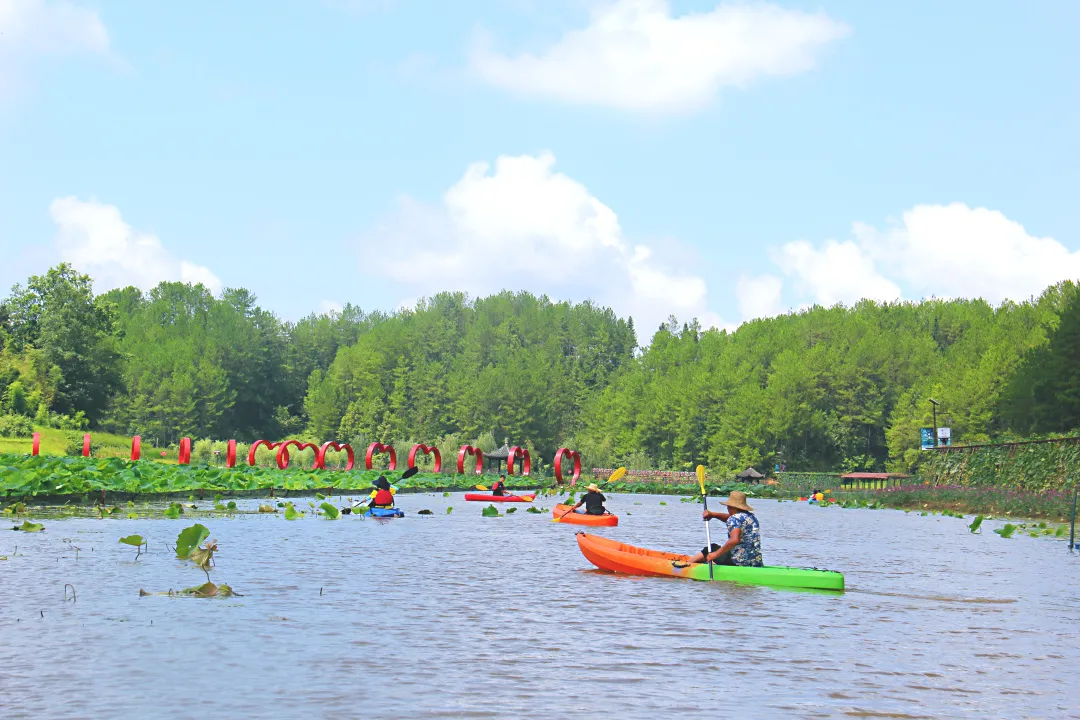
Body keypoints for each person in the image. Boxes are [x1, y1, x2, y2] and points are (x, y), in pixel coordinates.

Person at [683, 490, 763, 567]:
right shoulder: (751, 518)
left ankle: (686, 565)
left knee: (711, 548)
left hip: (737, 561)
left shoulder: (734, 519)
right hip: (755, 561)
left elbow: (734, 540)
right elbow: (731, 519)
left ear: (729, 506)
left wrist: (715, 554)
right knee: (718, 551)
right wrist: (713, 514)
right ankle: (706, 563)